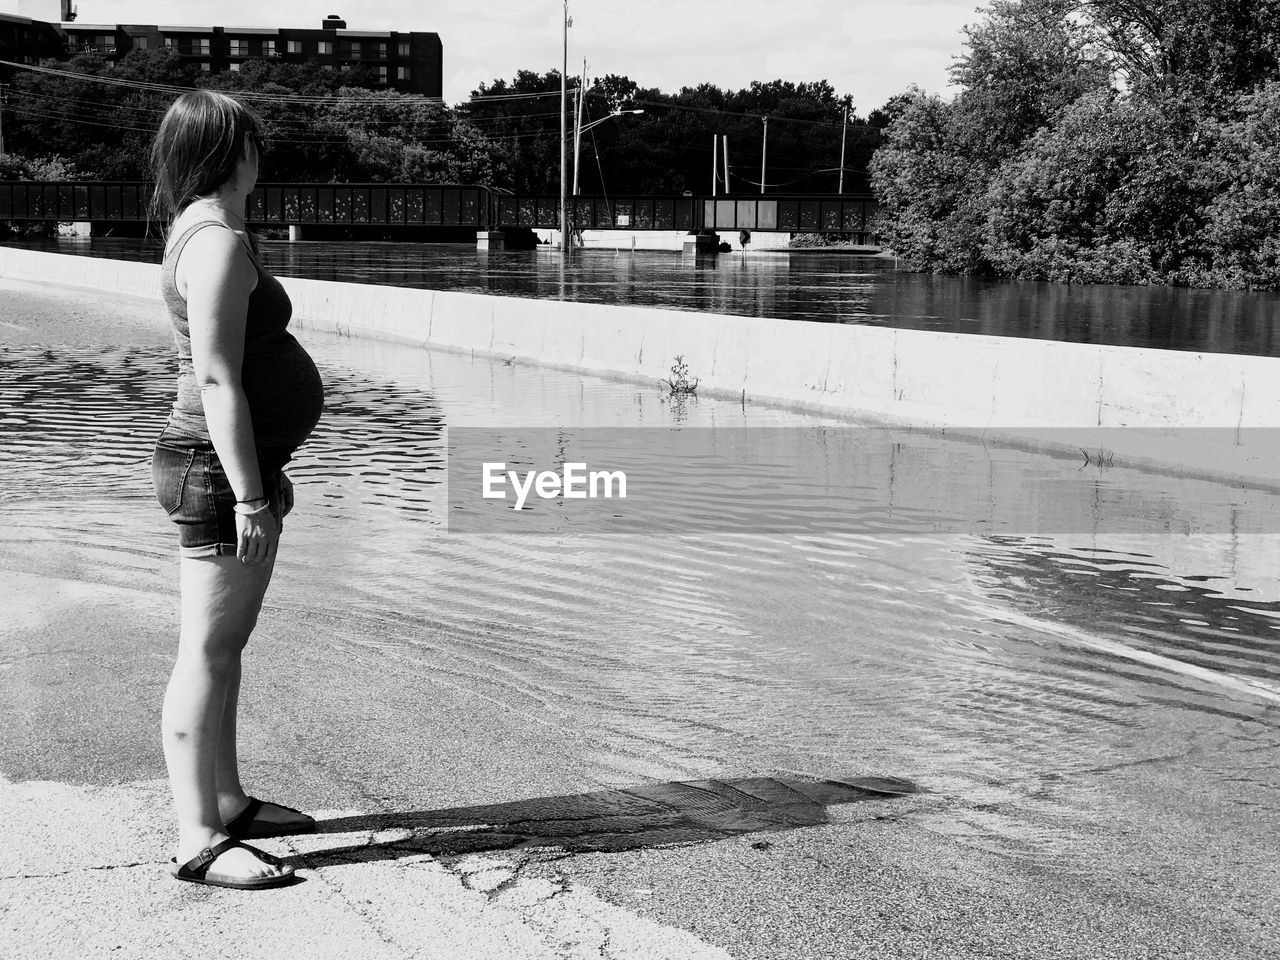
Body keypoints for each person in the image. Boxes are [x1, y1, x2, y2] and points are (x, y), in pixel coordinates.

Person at [149, 90, 325, 890]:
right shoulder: (215, 241)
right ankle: (197, 837)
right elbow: (219, 380)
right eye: (255, 142)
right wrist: (250, 495)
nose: (263, 156)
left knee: (226, 649)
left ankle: (228, 799)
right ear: (235, 150)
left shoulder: (203, 229)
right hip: (217, 471)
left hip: (230, 465)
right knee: (207, 651)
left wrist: (267, 471)